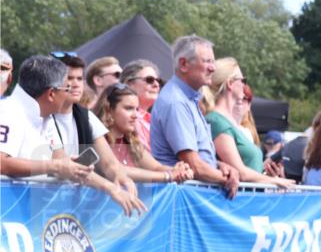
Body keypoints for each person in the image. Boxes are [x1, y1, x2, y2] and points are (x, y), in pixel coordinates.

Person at [0, 56, 145, 216]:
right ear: (51, 94)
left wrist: (110, 188)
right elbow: (1, 163)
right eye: (66, 88)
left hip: (27, 217)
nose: (71, 91)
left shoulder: (47, 117)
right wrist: (55, 166)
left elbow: (65, 166)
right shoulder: (7, 111)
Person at [150, 36, 239, 199]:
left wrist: (221, 166)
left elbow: (198, 159)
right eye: (207, 61)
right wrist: (227, 179)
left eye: (213, 61)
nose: (213, 68)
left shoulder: (187, 99)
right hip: (181, 200)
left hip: (189, 198)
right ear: (184, 64)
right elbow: (193, 165)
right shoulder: (176, 102)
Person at [50, 52, 137, 197]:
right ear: (53, 81)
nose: (76, 84)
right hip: (43, 200)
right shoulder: (43, 116)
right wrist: (110, 188)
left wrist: (122, 177)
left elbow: (109, 163)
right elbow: (68, 168)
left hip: (75, 202)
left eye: (79, 78)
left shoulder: (86, 116)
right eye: (69, 78)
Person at [202, 58, 293, 189]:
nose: (245, 86)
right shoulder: (217, 121)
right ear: (229, 84)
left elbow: (247, 169)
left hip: (247, 200)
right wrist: (276, 181)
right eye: (242, 81)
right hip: (237, 203)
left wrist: (267, 174)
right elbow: (241, 172)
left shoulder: (227, 122)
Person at [96, 83, 193, 183]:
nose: (135, 115)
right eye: (128, 108)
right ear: (109, 109)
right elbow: (115, 169)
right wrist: (168, 175)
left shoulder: (130, 141)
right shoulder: (96, 138)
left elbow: (155, 167)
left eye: (137, 109)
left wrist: (178, 171)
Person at [120, 59, 163, 152]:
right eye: (149, 80)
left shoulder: (154, 120)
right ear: (129, 84)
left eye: (158, 81)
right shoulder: (126, 119)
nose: (156, 84)